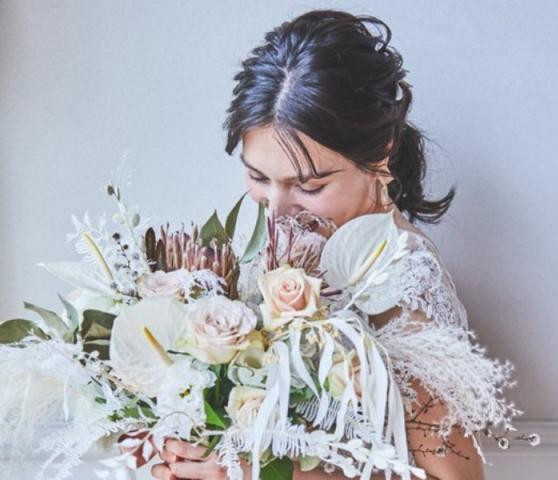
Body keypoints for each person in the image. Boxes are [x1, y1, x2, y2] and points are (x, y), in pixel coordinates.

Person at [144, 9, 486, 480]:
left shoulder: (401, 281)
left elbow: (458, 477)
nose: (277, 211)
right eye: (258, 177)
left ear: (379, 154)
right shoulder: (282, 247)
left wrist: (253, 474)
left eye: (308, 186)